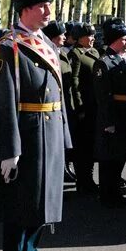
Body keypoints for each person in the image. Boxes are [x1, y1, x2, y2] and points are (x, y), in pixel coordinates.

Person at [0, 0, 70, 251]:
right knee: (19, 212)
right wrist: (8, 150)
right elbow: (3, 102)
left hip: (47, 135)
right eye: (41, 6)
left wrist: (63, 136)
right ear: (24, 9)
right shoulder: (9, 46)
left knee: (40, 209)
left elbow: (58, 95)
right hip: (26, 136)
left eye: (49, 5)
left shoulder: (43, 43)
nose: (48, 11)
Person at [93, 20, 126, 208]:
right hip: (113, 113)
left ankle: (115, 191)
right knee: (108, 158)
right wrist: (108, 121)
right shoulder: (104, 63)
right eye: (123, 39)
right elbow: (103, 96)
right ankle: (107, 194)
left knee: (119, 155)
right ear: (114, 40)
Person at [67, 22, 99, 193]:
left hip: (95, 105)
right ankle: (83, 180)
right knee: (83, 146)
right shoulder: (76, 55)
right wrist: (79, 106)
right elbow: (74, 81)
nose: (92, 39)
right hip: (84, 105)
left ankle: (90, 178)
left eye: (93, 35)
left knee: (92, 144)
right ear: (79, 38)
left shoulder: (94, 52)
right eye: (89, 36)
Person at [44, 21, 78, 183]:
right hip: (54, 101)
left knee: (66, 138)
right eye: (61, 35)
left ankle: (65, 166)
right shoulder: (47, 51)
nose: (64, 37)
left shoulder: (62, 52)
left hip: (65, 101)